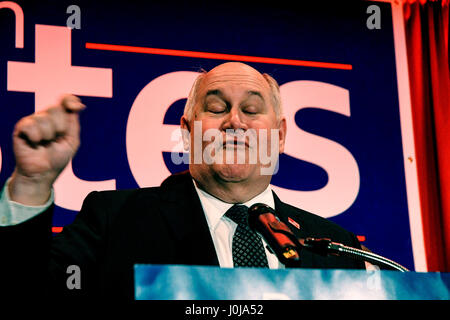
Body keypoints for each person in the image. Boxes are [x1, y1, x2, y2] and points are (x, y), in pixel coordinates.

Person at [0, 62, 364, 299]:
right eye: (217, 108)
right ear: (188, 133)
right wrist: (31, 185)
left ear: (280, 135)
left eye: (251, 110)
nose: (234, 122)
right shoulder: (114, 220)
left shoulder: (337, 250)